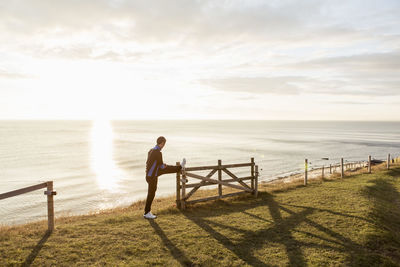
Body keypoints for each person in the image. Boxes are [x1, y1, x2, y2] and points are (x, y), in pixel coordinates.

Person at [144, 136, 186, 219]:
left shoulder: (151, 150)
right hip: (152, 176)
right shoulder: (158, 152)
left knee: (151, 193)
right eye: (164, 144)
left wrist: (163, 167)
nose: (164, 146)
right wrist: (165, 166)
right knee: (151, 194)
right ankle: (147, 212)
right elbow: (161, 166)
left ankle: (179, 167)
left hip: (149, 175)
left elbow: (150, 163)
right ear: (162, 143)